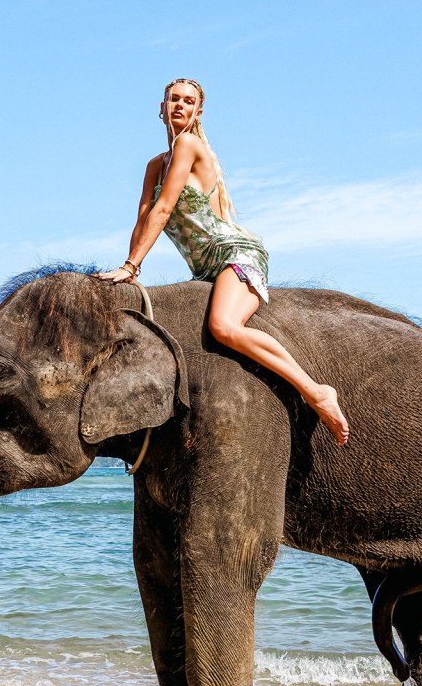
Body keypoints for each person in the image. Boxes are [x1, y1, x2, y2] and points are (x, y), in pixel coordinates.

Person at [98, 78, 349, 446]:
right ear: (161, 107)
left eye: (188, 101)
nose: (179, 105)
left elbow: (165, 209)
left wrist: (132, 265)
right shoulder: (155, 164)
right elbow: (144, 218)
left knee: (223, 327)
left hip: (235, 253)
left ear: (198, 112)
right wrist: (129, 269)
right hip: (205, 269)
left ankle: (315, 390)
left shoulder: (188, 144)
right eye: (173, 99)